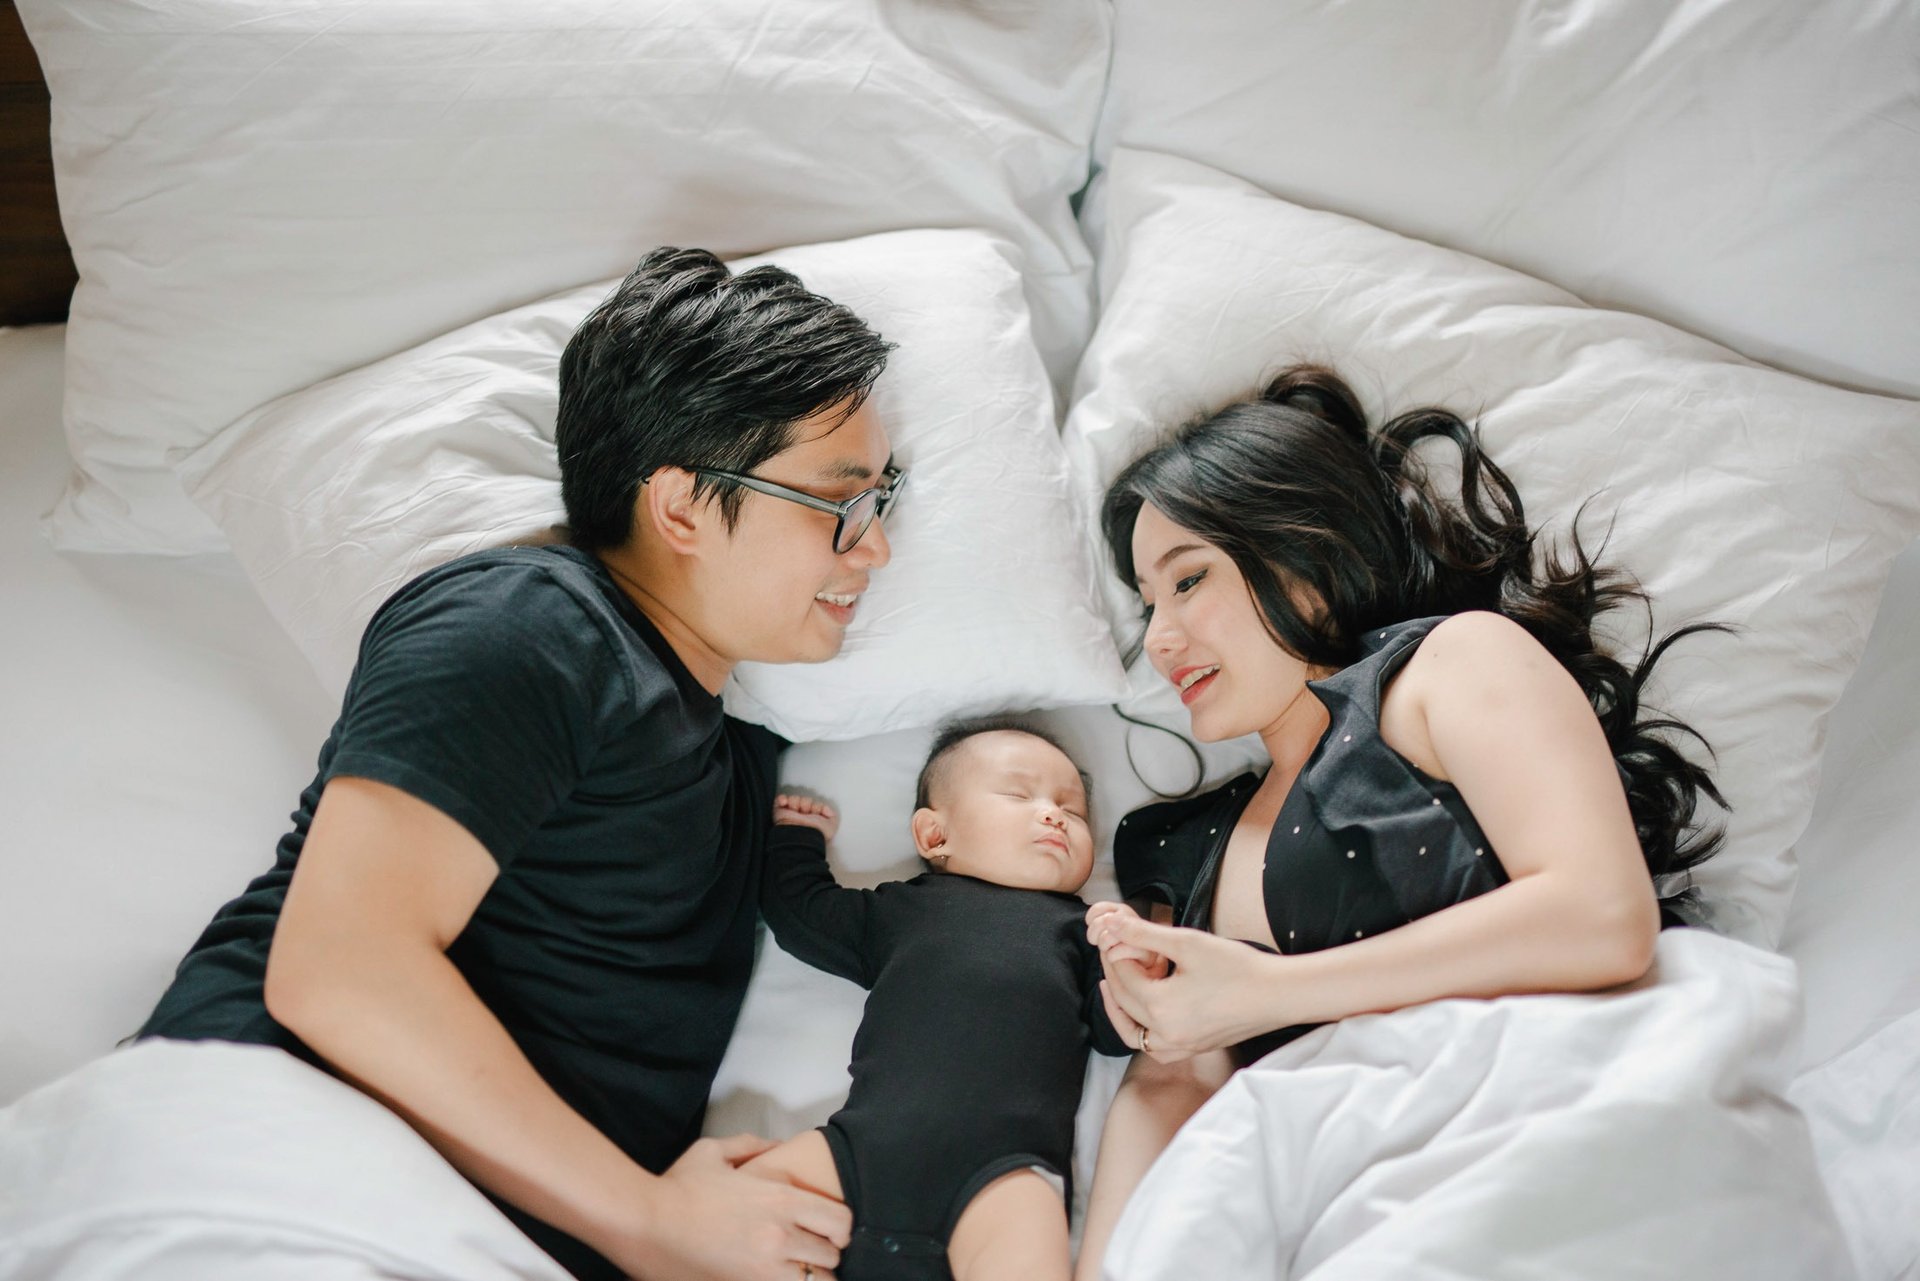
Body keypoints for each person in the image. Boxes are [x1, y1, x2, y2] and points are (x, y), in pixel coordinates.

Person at [134, 246, 905, 1281]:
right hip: (276, 1173)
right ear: (680, 507)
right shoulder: (528, 623)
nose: (876, 549)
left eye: (884, 501)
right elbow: (341, 969)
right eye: (840, 504)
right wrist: (654, 1223)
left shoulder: (727, 761)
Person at [1070, 364, 1726, 1279]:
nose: (1161, 637)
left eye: (1188, 581)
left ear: (1301, 553)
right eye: (1148, 603)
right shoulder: (1192, 844)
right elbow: (1174, 1073)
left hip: (1545, 1139)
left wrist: (1271, 993)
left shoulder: (1446, 669)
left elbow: (1603, 917)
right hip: (1349, 1219)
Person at [747, 720, 1131, 1281]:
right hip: (859, 1154)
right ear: (933, 836)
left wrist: (1131, 966)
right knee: (734, 1209)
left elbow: (1114, 1031)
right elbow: (803, 914)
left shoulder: (1084, 930)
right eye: (1018, 795)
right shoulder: (901, 912)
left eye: (1072, 811)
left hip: (1001, 1179)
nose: (1054, 814)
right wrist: (796, 839)